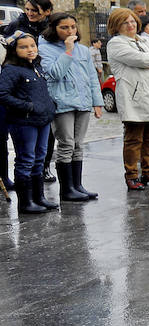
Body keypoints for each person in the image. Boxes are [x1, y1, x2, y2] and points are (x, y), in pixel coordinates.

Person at [38, 12, 103, 202]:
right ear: (54, 28)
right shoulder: (45, 49)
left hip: (83, 102)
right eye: (64, 27)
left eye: (73, 27)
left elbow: (92, 77)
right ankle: (66, 190)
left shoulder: (83, 50)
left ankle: (77, 185)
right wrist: (67, 51)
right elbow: (55, 73)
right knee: (66, 144)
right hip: (62, 103)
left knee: (78, 145)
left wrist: (97, 102)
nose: (70, 31)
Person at [106, 7, 149, 191]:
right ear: (116, 26)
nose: (130, 25)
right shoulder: (116, 43)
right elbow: (142, 60)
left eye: (132, 21)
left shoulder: (144, 40)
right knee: (134, 139)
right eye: (125, 22)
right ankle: (132, 175)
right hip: (133, 97)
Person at [0, 34, 58, 214]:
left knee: (40, 158)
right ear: (14, 50)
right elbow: (3, 94)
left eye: (32, 45)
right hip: (24, 122)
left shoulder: (36, 66)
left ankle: (39, 198)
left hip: (43, 119)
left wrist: (50, 106)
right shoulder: (11, 69)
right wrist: (28, 106)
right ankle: (25, 203)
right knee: (26, 159)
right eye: (24, 47)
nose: (30, 50)